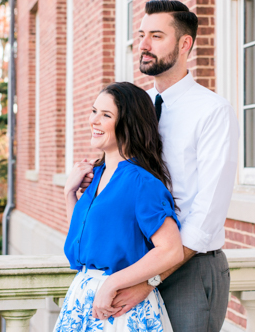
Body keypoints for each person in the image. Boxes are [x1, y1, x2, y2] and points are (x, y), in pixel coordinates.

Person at [87, 0, 239, 332]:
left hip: (188, 270)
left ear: (185, 44)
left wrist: (151, 279)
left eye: (156, 36)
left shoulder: (212, 111)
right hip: (135, 265)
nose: (142, 45)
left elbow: (207, 215)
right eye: (141, 35)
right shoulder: (134, 105)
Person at [54, 82, 184, 332]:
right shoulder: (97, 175)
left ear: (128, 124)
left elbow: (171, 250)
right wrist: (69, 193)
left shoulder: (142, 182)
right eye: (94, 111)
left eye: (106, 115)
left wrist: (112, 283)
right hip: (82, 300)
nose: (94, 120)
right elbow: (83, 239)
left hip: (120, 306)